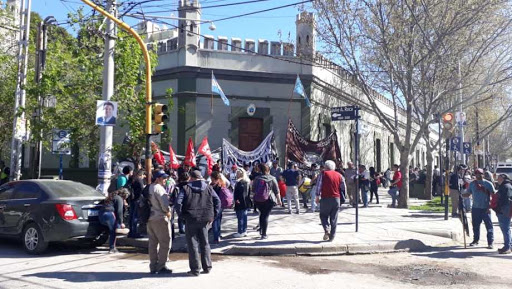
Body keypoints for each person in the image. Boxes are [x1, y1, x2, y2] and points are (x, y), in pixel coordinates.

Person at [176, 170, 221, 276]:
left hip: (191, 218)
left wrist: (182, 216)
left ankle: (195, 269)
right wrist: (214, 215)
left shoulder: (185, 188)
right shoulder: (209, 188)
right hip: (205, 219)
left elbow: (178, 203)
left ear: (191, 178)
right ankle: (207, 267)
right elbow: (217, 201)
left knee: (193, 245)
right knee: (205, 243)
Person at [147, 170, 173, 275]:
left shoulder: (149, 187)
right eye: (163, 178)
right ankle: (161, 266)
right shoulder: (159, 188)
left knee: (152, 243)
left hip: (150, 218)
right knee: (165, 242)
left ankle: (153, 266)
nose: (165, 180)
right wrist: (168, 211)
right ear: (157, 178)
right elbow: (164, 204)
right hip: (160, 218)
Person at [314, 160, 346, 242]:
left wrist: (317, 196)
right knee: (334, 218)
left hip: (325, 198)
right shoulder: (339, 175)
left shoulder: (323, 174)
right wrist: (343, 197)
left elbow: (319, 185)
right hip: (336, 199)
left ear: (325, 167)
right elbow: (343, 187)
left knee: (323, 215)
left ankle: (327, 229)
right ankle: (332, 236)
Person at [463, 168, 495, 249]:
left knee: (489, 226)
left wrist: (490, 205)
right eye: (476, 174)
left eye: (480, 174)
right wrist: (462, 195)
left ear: (483, 174)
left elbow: (493, 195)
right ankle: (475, 240)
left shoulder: (488, 184)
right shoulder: (472, 184)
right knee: (476, 225)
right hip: (475, 208)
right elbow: (468, 193)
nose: (478, 175)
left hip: (486, 208)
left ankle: (490, 242)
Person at [252, 164, 282, 239]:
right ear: (268, 169)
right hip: (269, 199)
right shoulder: (272, 178)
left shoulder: (257, 178)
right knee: (265, 216)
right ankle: (264, 234)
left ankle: (261, 230)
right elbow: (276, 190)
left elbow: (253, 190)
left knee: (261, 214)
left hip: (258, 200)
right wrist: (279, 200)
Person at [99, 188, 130, 254]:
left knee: (108, 230)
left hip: (101, 214)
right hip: (110, 214)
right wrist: (121, 222)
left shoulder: (111, 196)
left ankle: (108, 244)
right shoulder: (119, 199)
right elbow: (119, 211)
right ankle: (112, 248)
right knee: (113, 231)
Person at [495, 174, 512, 254]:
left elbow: (506, 200)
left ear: (503, 179)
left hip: (504, 211)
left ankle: (507, 247)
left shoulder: (506, 187)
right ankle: (508, 246)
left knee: (505, 229)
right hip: (505, 210)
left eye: (499, 178)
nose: (497, 180)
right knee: (506, 229)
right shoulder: (506, 186)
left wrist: (500, 208)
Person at [233, 168, 252, 237]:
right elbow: (248, 193)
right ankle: (244, 230)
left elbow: (239, 193)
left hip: (240, 202)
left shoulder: (239, 183)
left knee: (240, 217)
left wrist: (237, 200)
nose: (236, 175)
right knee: (244, 216)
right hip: (245, 201)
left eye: (237, 173)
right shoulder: (247, 182)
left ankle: (240, 231)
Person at [210, 171, 226, 244]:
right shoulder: (222, 184)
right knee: (219, 220)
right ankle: (219, 235)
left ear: (213, 178)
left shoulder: (213, 185)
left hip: (214, 205)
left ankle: (216, 238)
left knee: (214, 221)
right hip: (221, 204)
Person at [128, 170, 145, 238]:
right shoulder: (139, 180)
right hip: (137, 199)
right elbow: (142, 189)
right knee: (135, 217)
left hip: (131, 199)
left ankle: (131, 232)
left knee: (131, 216)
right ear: (141, 175)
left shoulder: (131, 179)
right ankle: (134, 232)